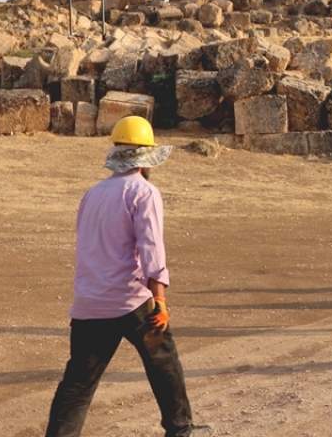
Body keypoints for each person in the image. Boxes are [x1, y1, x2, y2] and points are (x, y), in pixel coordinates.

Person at [45, 116, 214, 437]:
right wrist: (160, 300)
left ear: (117, 153)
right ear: (147, 156)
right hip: (132, 301)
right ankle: (180, 430)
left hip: (90, 303)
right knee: (164, 362)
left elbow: (86, 246)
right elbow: (151, 248)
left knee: (78, 384)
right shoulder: (143, 192)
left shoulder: (93, 194)